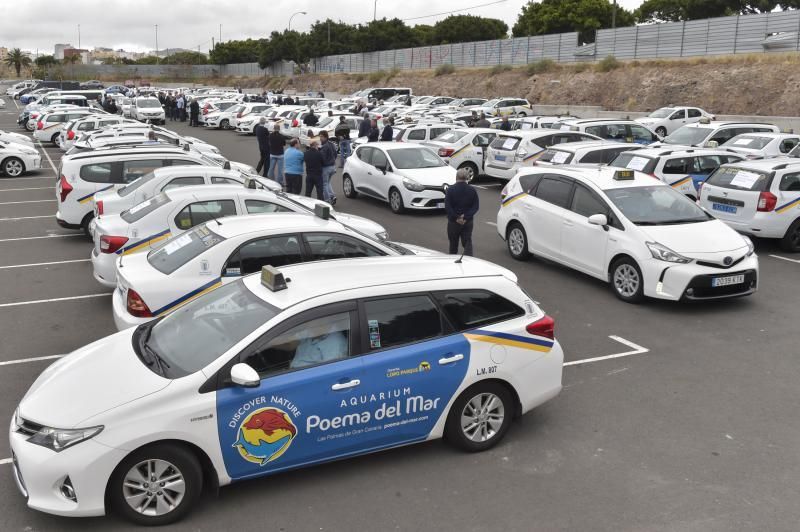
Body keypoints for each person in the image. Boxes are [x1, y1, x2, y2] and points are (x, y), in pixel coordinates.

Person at [444, 168, 479, 256]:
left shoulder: (450, 190)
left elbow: (448, 207)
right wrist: (465, 216)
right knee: (467, 243)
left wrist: (456, 217)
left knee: (453, 244)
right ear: (467, 178)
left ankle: (453, 262)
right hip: (467, 222)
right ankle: (469, 261)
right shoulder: (472, 190)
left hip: (453, 222)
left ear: (456, 177)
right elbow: (475, 206)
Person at [319, 131, 337, 205]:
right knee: (328, 182)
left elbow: (322, 158)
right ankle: (332, 196)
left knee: (324, 184)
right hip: (333, 167)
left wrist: (321, 164)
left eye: (321, 136)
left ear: (325, 137)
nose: (320, 138)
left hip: (326, 167)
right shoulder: (331, 144)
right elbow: (335, 154)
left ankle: (327, 200)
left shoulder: (324, 146)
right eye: (320, 136)